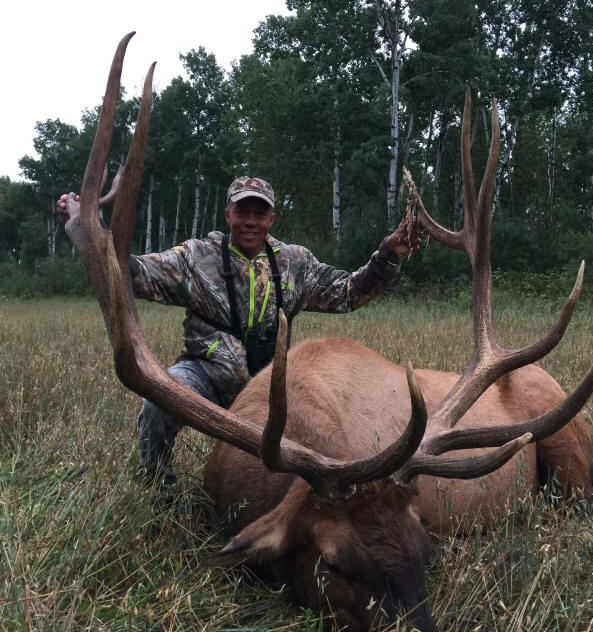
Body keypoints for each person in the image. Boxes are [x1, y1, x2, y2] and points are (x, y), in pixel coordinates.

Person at [58, 176, 418, 484]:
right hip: (207, 374)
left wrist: (389, 252)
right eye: (241, 211)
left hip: (270, 384)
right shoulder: (195, 257)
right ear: (228, 214)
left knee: (318, 434)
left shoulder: (294, 263)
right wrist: (88, 231)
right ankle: (158, 488)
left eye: (259, 213)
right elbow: (131, 272)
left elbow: (348, 292)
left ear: (271, 218)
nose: (250, 221)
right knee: (158, 401)